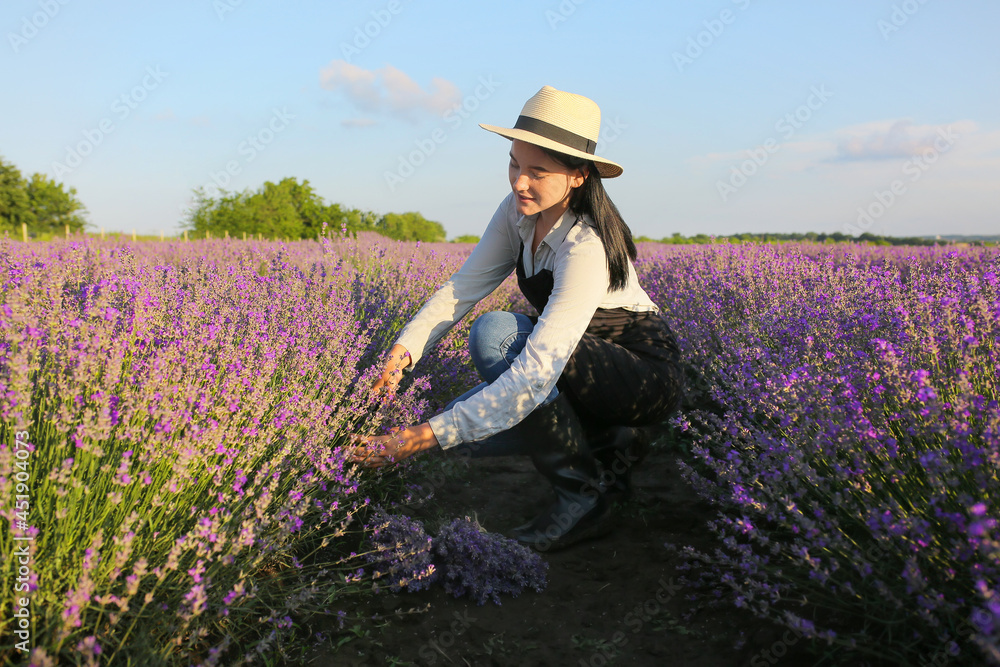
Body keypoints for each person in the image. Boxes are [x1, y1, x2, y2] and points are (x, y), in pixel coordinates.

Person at [349, 85, 684, 551]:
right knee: (468, 434)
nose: (519, 182)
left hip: (639, 375)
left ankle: (583, 495)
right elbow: (462, 289)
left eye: (537, 171)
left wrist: (417, 439)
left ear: (578, 176)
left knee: (498, 335)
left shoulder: (584, 245)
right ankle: (607, 443)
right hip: (575, 365)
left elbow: (534, 373)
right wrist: (403, 351)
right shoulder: (517, 213)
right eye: (514, 164)